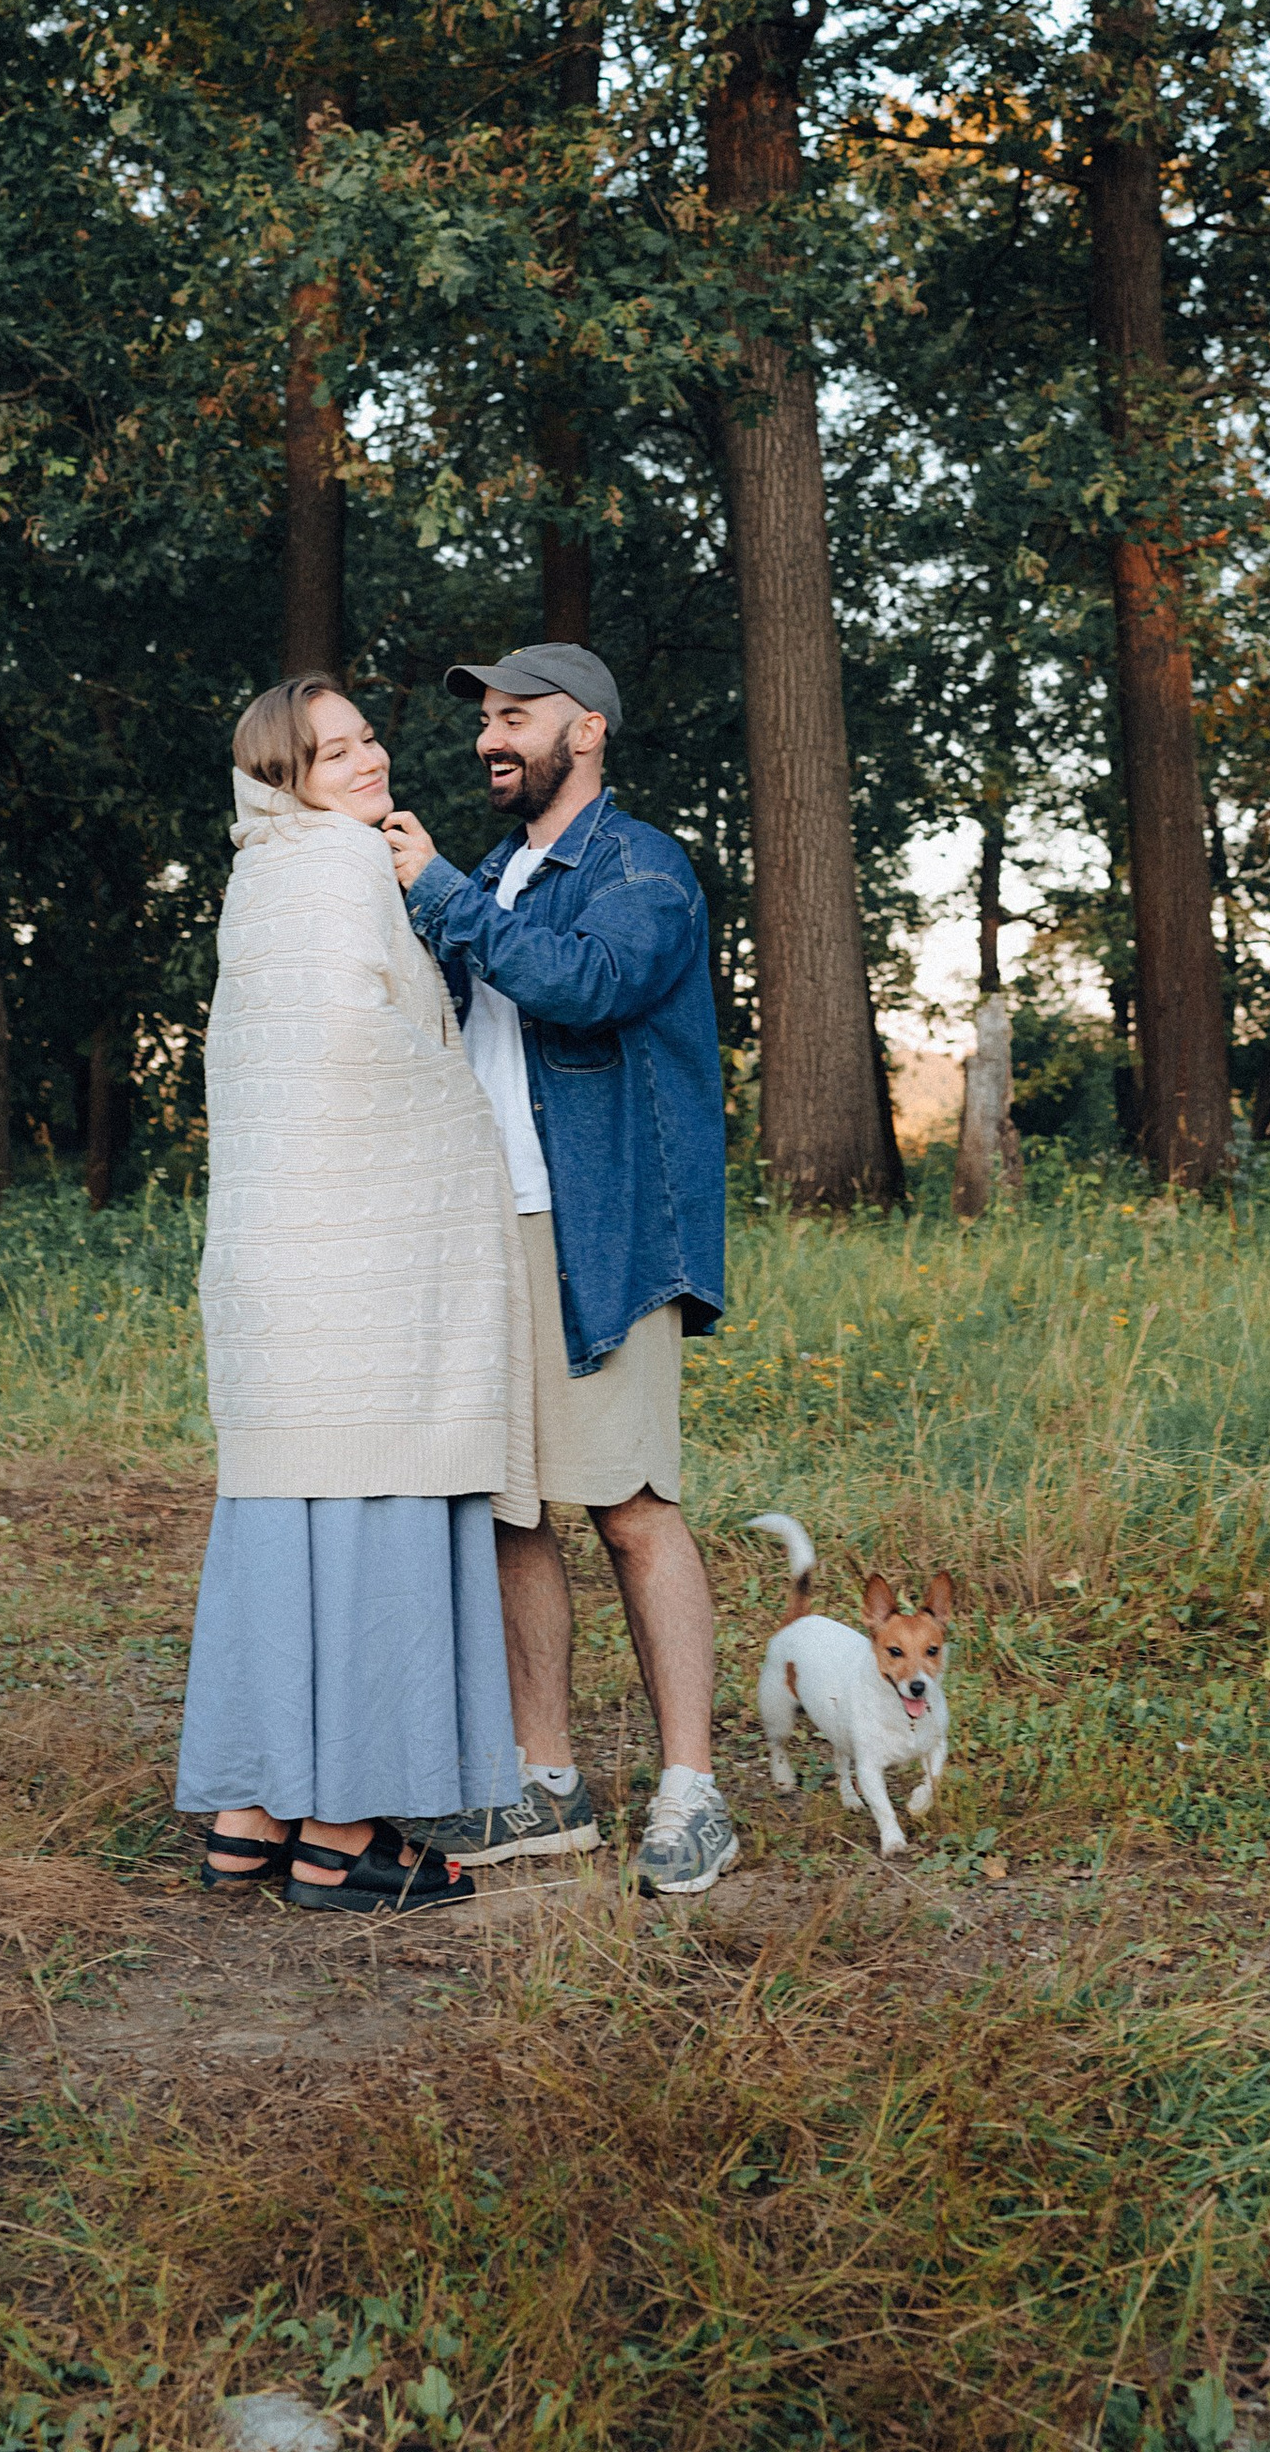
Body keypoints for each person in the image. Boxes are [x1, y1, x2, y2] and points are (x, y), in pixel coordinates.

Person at [175, 672, 538, 1911]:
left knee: (286, 1533)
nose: (370, 759)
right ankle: (339, 1837)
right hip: (360, 1276)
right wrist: (464, 1116)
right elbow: (349, 1050)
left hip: (279, 1274)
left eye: (368, 737)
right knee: (379, 1516)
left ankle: (250, 1816)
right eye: (336, 752)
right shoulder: (338, 865)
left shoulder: (259, 874)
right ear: (285, 778)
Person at [380, 641, 737, 1897]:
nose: (491, 736)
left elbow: (585, 986)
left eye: (516, 715)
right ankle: (550, 1783)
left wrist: (437, 890)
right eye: (485, 717)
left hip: (601, 1231)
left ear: (586, 729)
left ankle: (693, 1792)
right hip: (485, 1234)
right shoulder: (495, 871)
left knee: (631, 1506)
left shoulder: (641, 868)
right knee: (512, 1511)